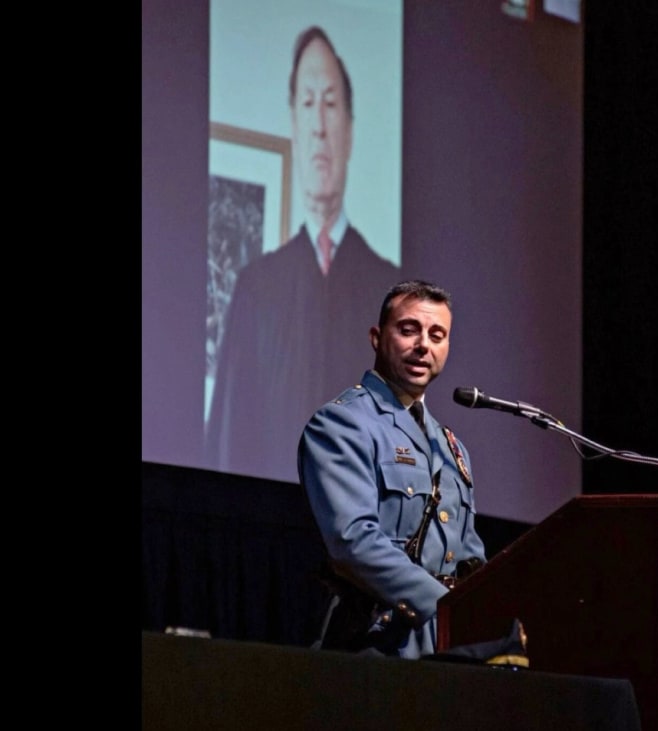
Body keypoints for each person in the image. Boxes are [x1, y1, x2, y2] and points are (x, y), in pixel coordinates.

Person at [206, 25, 399, 483]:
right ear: (292, 123)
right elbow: (230, 440)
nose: (318, 125)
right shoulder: (257, 286)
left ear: (350, 130)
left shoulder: (388, 289)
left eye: (330, 105)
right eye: (308, 105)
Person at [298, 280, 487, 659]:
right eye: (408, 330)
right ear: (376, 336)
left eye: (437, 335)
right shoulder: (342, 423)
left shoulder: (451, 447)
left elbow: (470, 559)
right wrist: (447, 608)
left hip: (443, 646)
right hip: (370, 642)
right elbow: (353, 542)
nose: (423, 345)